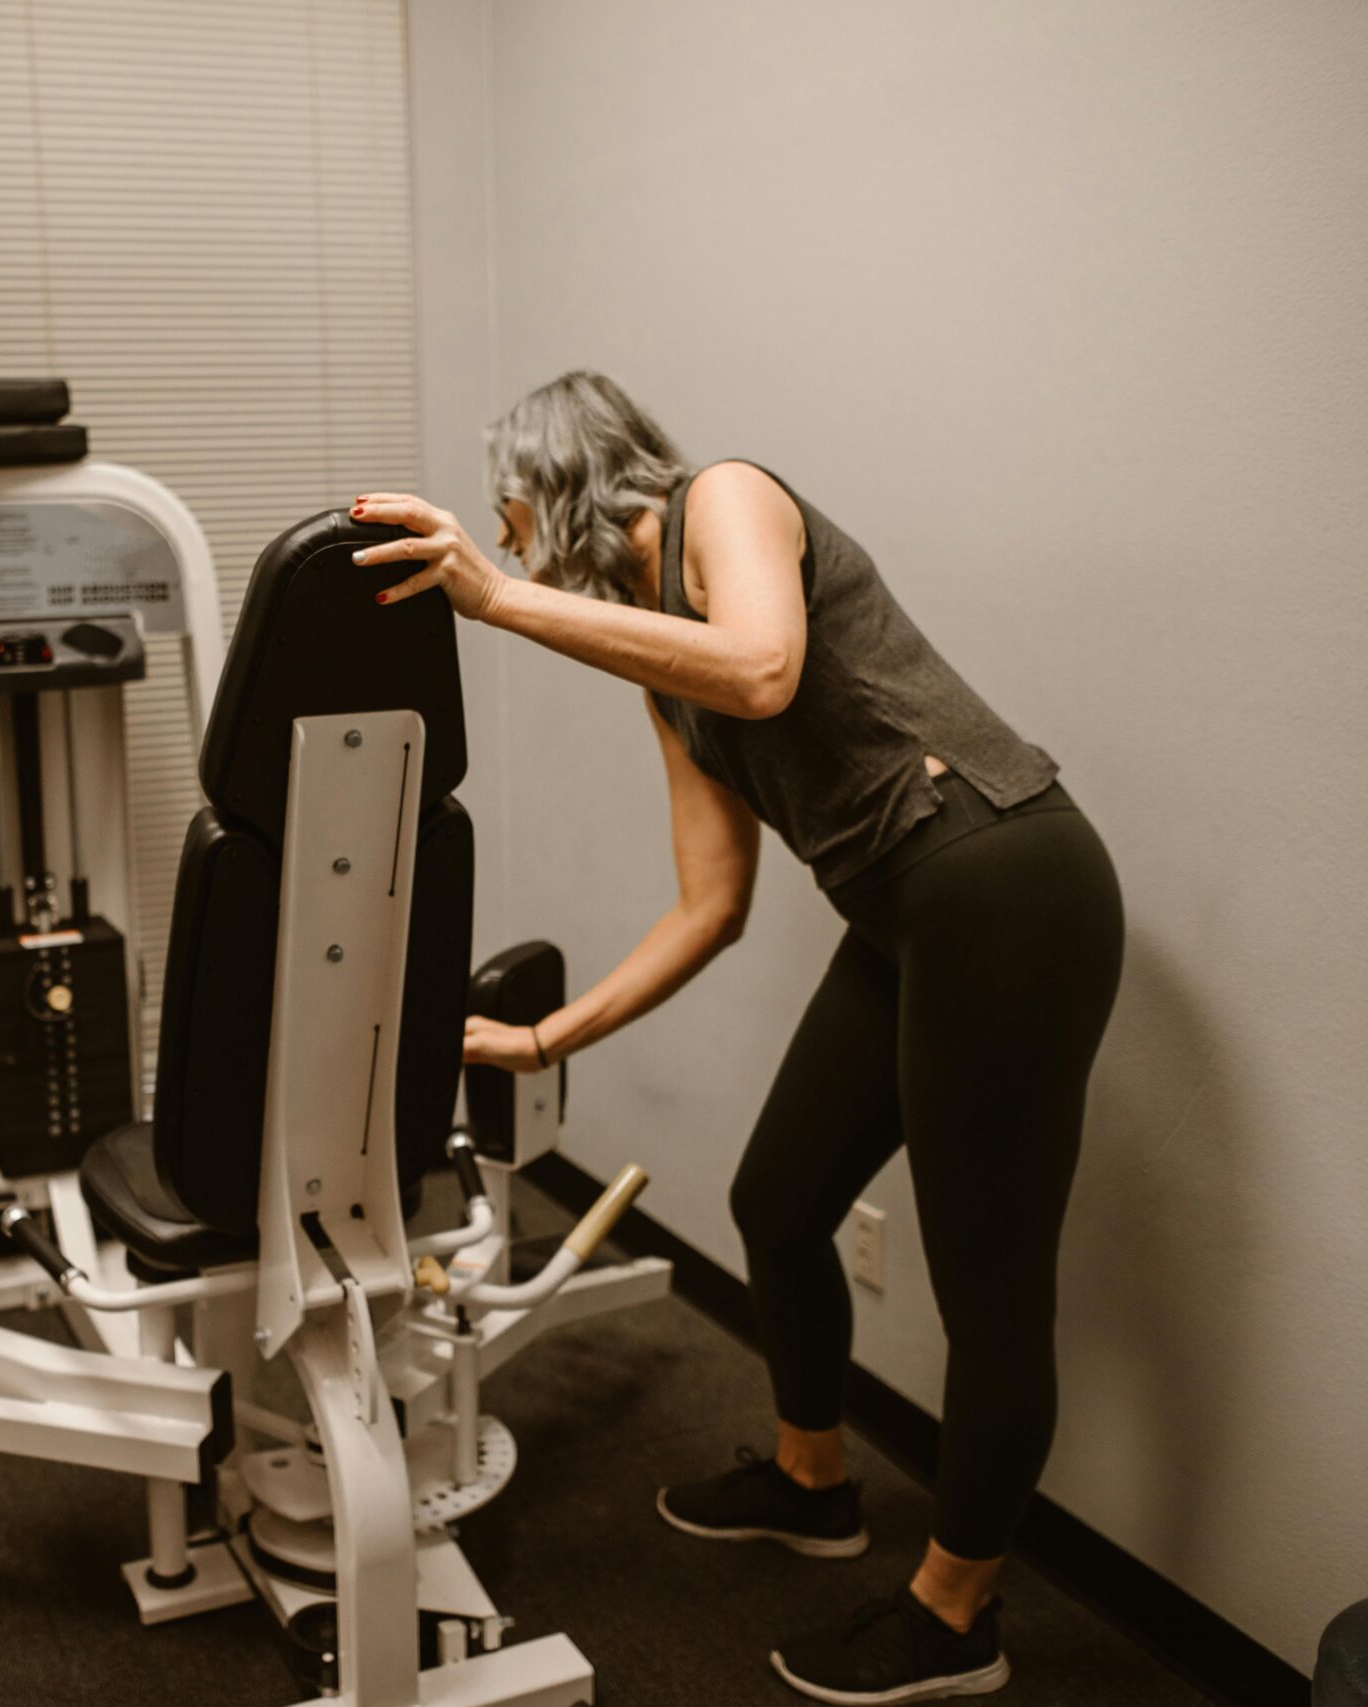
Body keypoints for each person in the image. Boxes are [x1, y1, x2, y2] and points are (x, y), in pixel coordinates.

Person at [357, 371, 1124, 1702]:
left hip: (1007, 886)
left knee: (990, 1289)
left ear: (567, 479)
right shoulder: (667, 679)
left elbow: (768, 667)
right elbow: (711, 906)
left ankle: (958, 1619)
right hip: (904, 913)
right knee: (777, 1199)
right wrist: (548, 1039)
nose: (510, 537)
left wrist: (492, 598)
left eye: (511, 510)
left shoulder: (731, 498)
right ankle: (814, 1482)